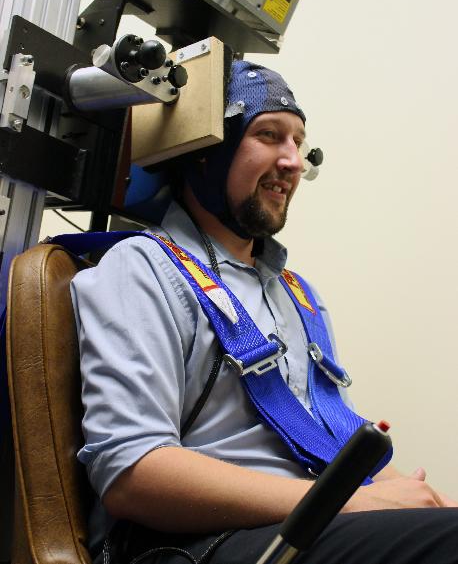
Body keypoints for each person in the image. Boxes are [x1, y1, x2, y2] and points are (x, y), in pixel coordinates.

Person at [71, 60, 458, 564]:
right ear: (208, 152)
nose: (293, 161)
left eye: (298, 142)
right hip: (194, 545)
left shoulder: (297, 295)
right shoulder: (141, 268)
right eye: (269, 135)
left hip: (304, 526)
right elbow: (132, 471)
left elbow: (327, 433)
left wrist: (416, 501)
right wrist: (357, 504)